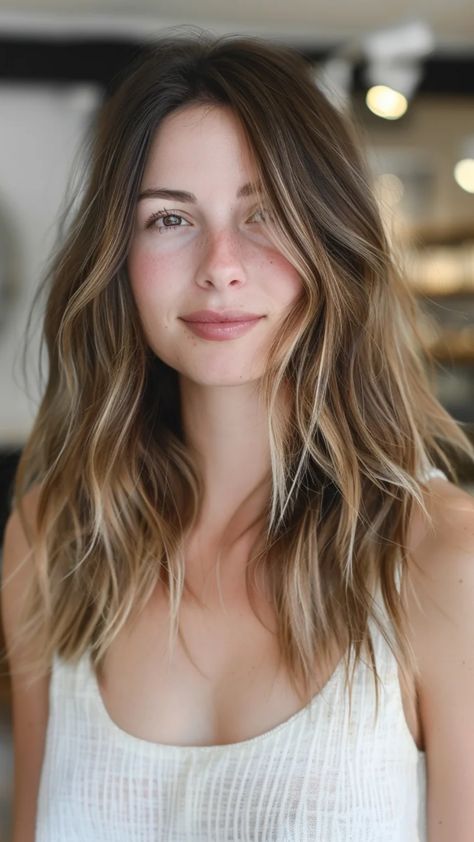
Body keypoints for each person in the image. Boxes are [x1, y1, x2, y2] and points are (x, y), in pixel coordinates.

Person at [1, 30, 474, 842]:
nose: (220, 265)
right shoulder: (54, 540)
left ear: (330, 241)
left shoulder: (442, 560)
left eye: (265, 215)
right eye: (170, 218)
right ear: (118, 258)